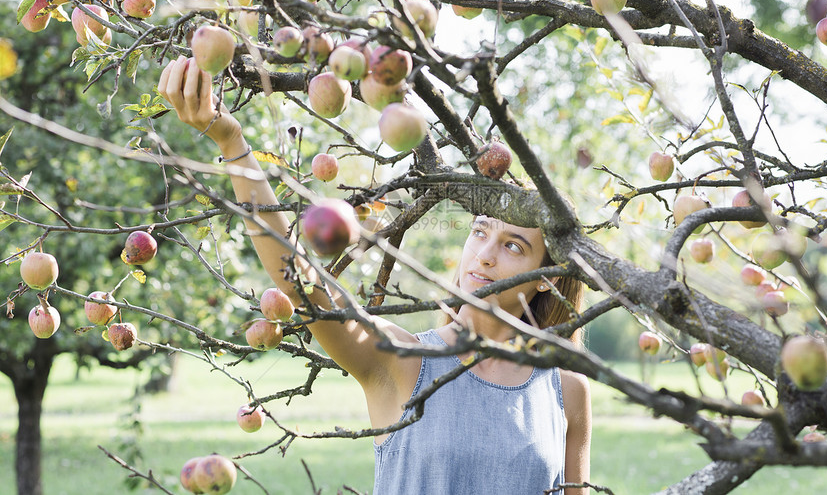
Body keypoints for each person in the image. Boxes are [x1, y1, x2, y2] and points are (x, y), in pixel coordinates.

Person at [158, 55, 592, 494]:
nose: (484, 256)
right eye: (479, 231)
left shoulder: (566, 392)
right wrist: (232, 142)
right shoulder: (402, 362)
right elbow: (302, 283)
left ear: (546, 275)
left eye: (513, 246)